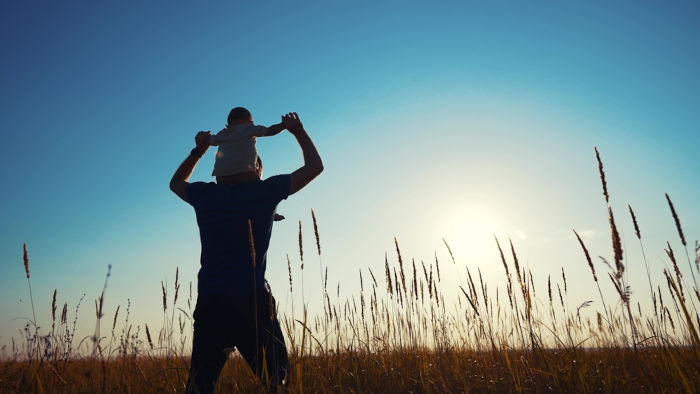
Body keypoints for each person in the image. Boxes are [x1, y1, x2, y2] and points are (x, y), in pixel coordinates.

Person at [169, 112, 323, 393]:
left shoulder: (206, 195)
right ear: (255, 168)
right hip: (252, 303)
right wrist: (297, 130)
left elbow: (176, 183)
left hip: (211, 303)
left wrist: (198, 151)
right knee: (278, 383)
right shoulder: (264, 193)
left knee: (198, 387)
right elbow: (314, 167)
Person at [209, 107, 285, 177]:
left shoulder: (222, 134)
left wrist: (204, 136)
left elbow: (209, 140)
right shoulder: (249, 128)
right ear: (248, 122)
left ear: (228, 125)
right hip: (246, 174)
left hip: (222, 177)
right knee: (257, 171)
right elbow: (270, 130)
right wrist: (283, 125)